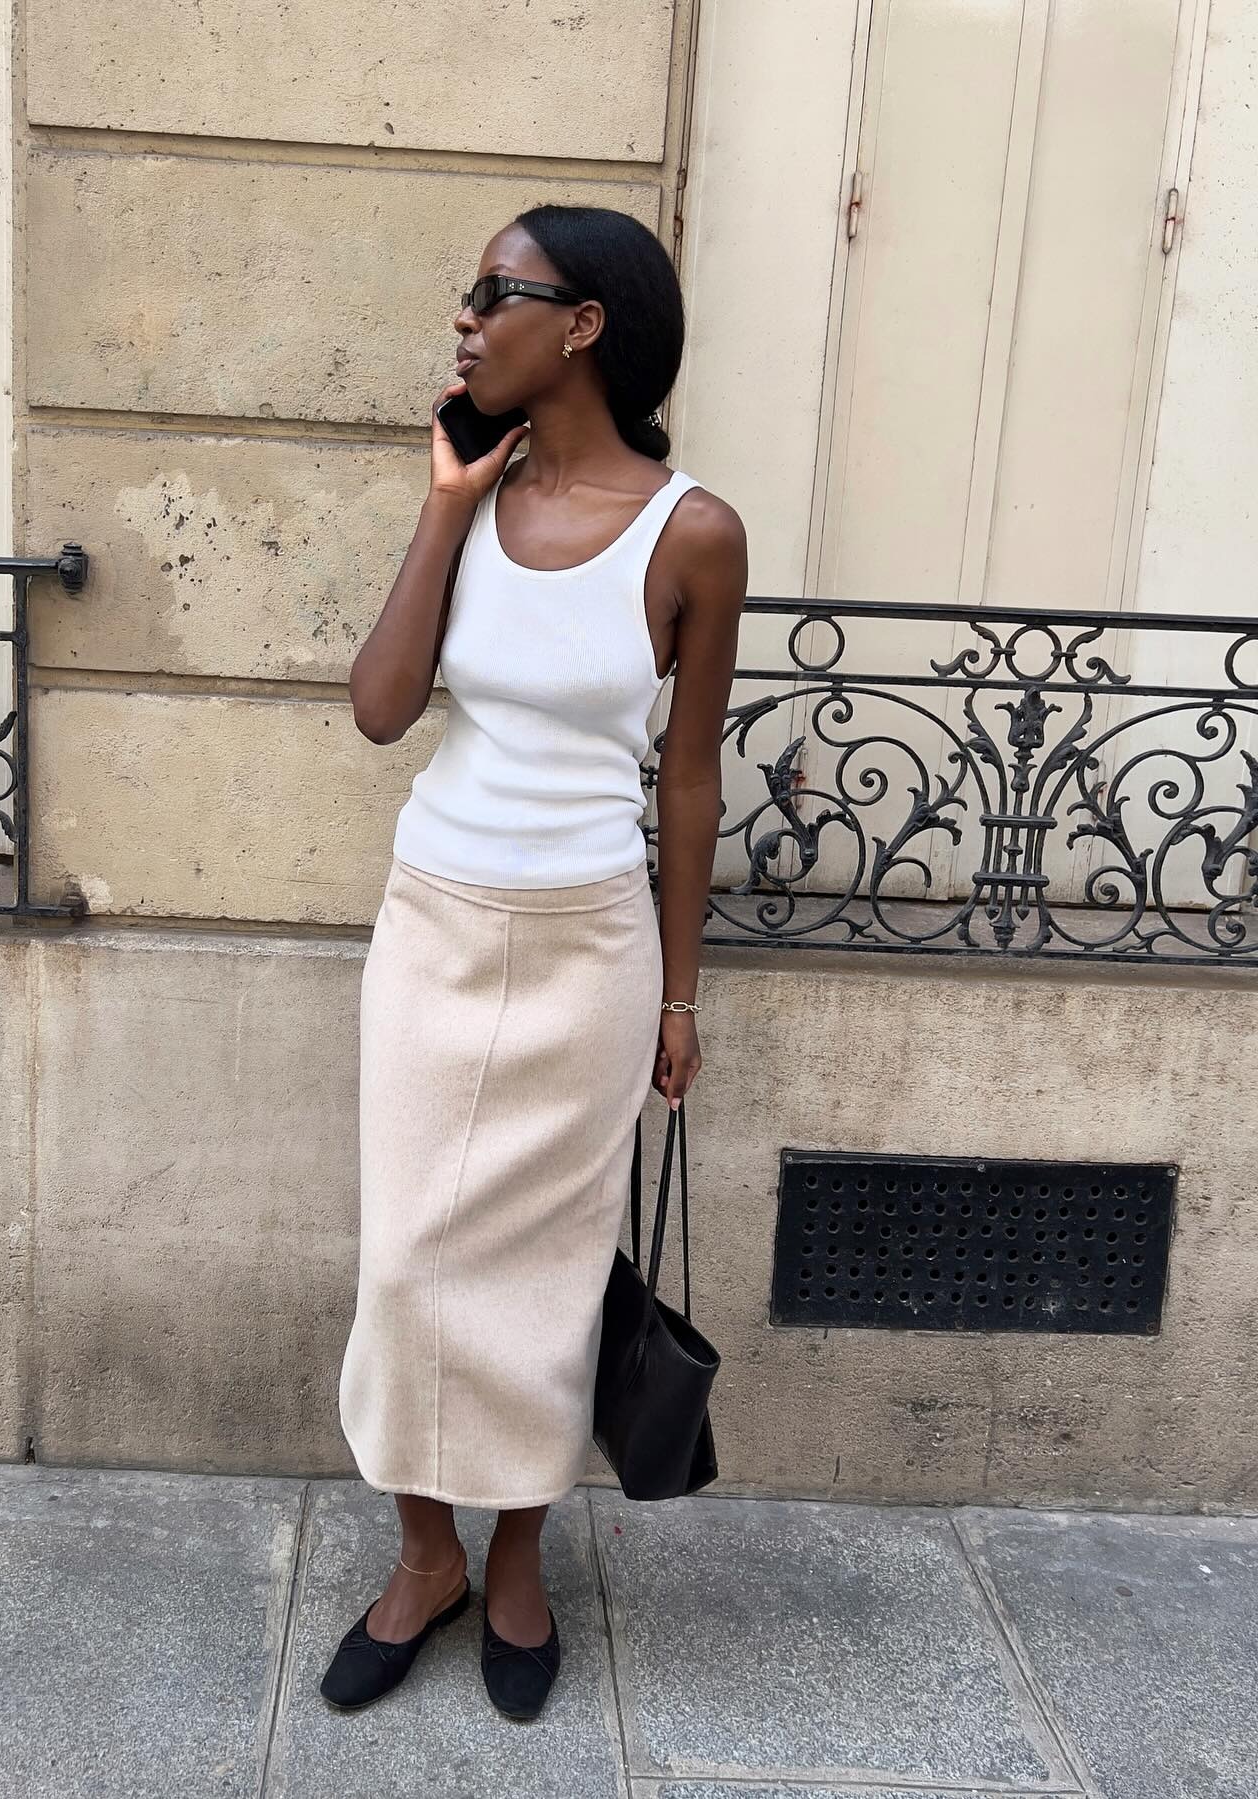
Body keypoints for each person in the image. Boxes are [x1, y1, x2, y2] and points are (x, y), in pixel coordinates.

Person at [321, 204, 746, 1721]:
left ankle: (514, 1565)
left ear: (584, 325)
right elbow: (381, 710)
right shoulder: (473, 489)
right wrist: (443, 511)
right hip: (434, 917)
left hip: (590, 943)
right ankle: (421, 1551)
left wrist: (682, 994)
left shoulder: (690, 528)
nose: (465, 317)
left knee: (548, 1281)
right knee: (411, 1260)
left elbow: (687, 781)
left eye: (496, 293)